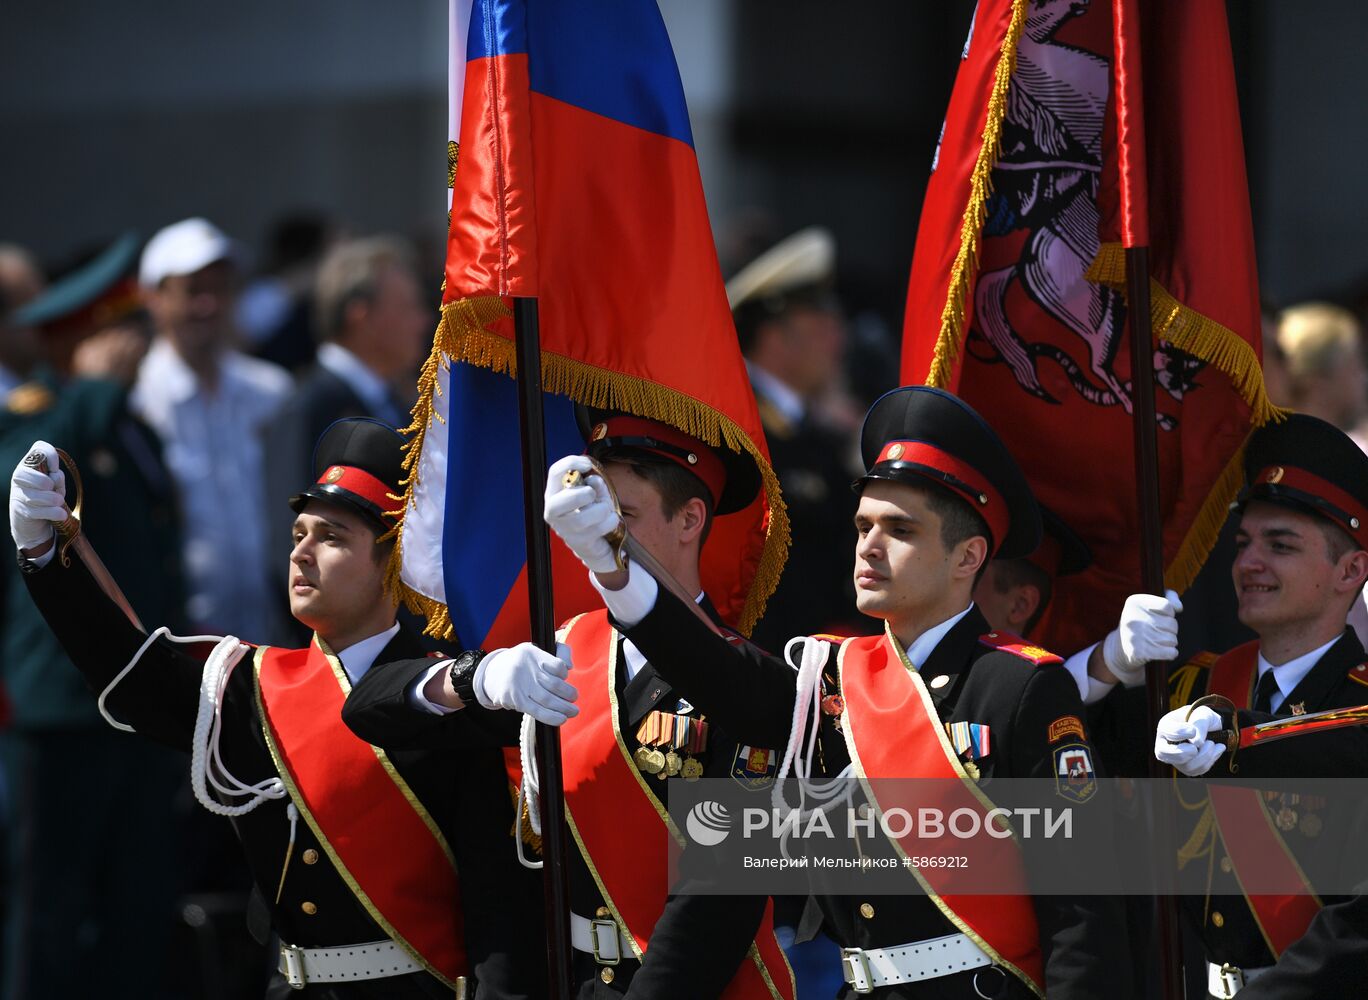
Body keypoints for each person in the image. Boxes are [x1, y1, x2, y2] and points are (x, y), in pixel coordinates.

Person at [546, 385, 1126, 998]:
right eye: (862, 526)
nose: (869, 547)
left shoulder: (1021, 687)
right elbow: (723, 675)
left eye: (900, 530)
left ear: (968, 557)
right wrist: (614, 571)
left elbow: (1084, 921)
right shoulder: (830, 677)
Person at [8, 417, 543, 998]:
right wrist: (42, 550)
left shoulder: (450, 694)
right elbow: (134, 674)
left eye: (332, 537)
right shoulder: (256, 686)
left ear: (395, 560)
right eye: (298, 536)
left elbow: (500, 911)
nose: (303, 554)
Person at [343, 409, 796, 1000]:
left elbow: (722, 896)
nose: (597, 537)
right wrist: (473, 677)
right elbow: (368, 710)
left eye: (620, 518)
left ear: (689, 519)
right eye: (588, 518)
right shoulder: (571, 651)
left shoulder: (752, 681)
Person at [1114, 413, 1368, 996]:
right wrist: (1109, 664)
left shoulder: (1358, 713)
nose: (1249, 563)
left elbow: (1357, 925)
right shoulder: (1187, 688)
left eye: (1280, 545)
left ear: (1350, 570)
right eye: (1244, 543)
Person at [0, 234, 187, 1000]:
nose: (139, 346)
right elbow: (30, 490)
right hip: (64, 708)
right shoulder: (45, 411)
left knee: (138, 903)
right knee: (51, 904)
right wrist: (88, 391)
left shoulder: (129, 426)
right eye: (125, 330)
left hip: (136, 702)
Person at [131, 217, 292, 642]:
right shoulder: (136, 402)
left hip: (271, 633)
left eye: (220, 289)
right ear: (153, 298)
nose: (209, 304)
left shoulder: (270, 391)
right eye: (192, 290)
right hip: (180, 642)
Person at [727, 227, 864, 649]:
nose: (837, 338)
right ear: (775, 333)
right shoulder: (742, 430)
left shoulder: (807, 430)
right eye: (821, 321)